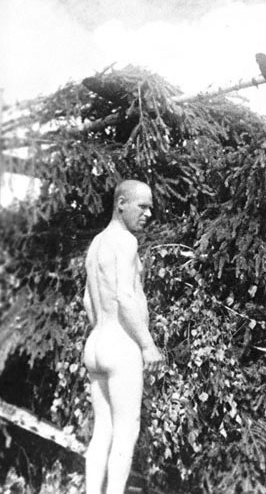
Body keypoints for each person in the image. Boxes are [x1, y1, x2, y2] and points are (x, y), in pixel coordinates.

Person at [82, 180, 164, 494]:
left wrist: (103, 330)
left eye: (150, 207)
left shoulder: (96, 244)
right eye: (142, 206)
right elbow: (125, 298)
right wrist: (147, 345)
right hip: (120, 344)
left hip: (97, 342)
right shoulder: (126, 241)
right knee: (126, 431)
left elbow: (88, 300)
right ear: (121, 204)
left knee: (102, 431)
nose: (148, 214)